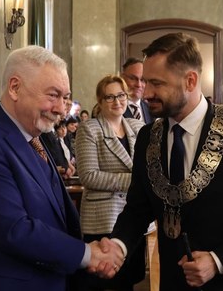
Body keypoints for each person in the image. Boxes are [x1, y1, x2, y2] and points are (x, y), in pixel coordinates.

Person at [109, 33, 223, 290]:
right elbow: (138, 209)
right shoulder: (148, 137)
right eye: (144, 82)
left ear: (190, 81)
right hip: (175, 282)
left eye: (156, 83)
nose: (146, 93)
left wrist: (218, 260)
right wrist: (118, 245)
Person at [0, 46, 124, 290]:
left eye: (64, 98)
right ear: (15, 87)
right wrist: (88, 254)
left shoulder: (33, 136)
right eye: (52, 95)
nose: (61, 109)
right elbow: (13, 228)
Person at [75, 75, 146, 291]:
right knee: (105, 282)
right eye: (110, 97)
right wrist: (133, 181)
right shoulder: (89, 129)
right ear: (100, 100)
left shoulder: (138, 126)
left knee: (130, 278)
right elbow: (88, 176)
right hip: (103, 218)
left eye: (121, 95)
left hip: (134, 217)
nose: (117, 102)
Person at [121, 57, 154, 124]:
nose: (138, 85)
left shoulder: (151, 108)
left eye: (142, 80)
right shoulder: (111, 106)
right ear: (122, 78)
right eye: (133, 78)